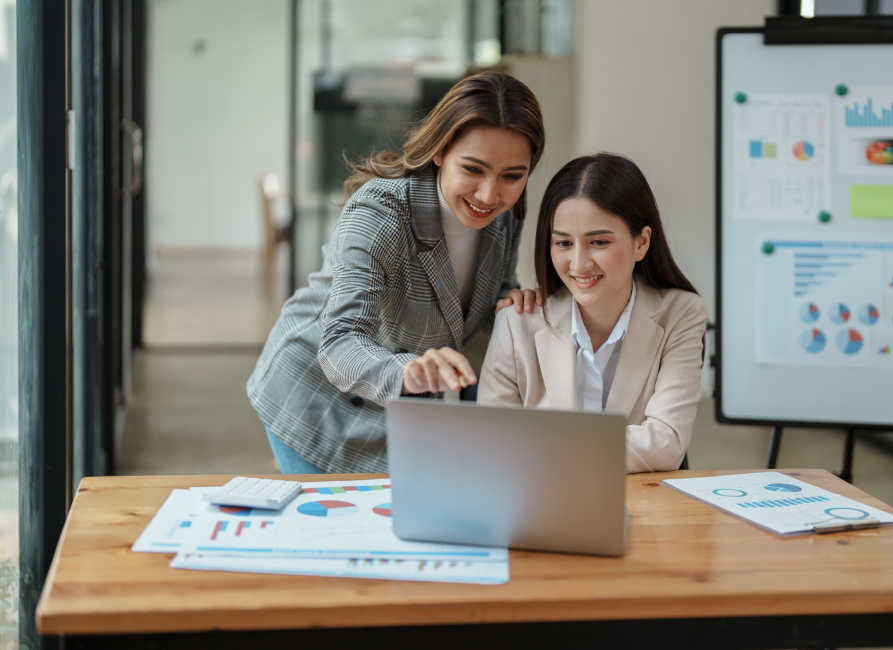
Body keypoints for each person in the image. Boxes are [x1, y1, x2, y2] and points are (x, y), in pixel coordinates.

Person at [248, 71, 545, 474]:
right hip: (313, 398)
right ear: (440, 150)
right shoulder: (381, 213)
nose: (489, 195)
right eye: (473, 169)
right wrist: (407, 370)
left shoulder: (505, 217)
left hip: (397, 410)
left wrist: (512, 300)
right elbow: (340, 342)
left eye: (513, 175)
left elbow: (490, 290)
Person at [478, 153, 708, 473]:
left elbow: (665, 443)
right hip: (542, 509)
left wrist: (538, 447)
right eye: (563, 244)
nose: (578, 264)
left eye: (598, 242)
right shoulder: (517, 321)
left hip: (642, 507)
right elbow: (492, 444)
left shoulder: (681, 314)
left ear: (641, 243)